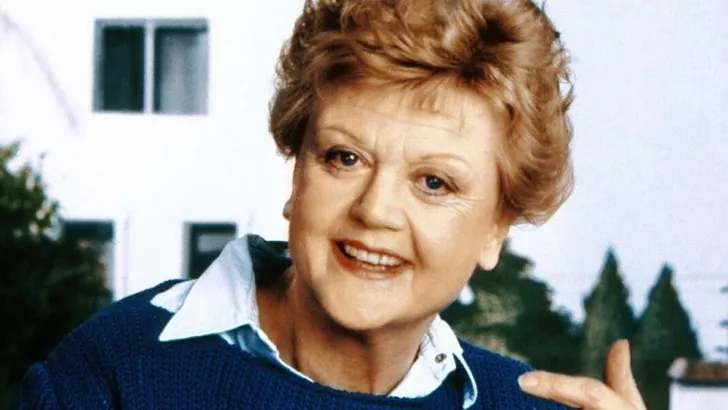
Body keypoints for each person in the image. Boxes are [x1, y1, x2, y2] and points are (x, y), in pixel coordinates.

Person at [20, 0, 647, 409]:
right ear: (297, 171)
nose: (375, 210)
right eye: (345, 158)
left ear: (495, 231)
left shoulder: (525, 405)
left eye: (434, 183)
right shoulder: (118, 371)